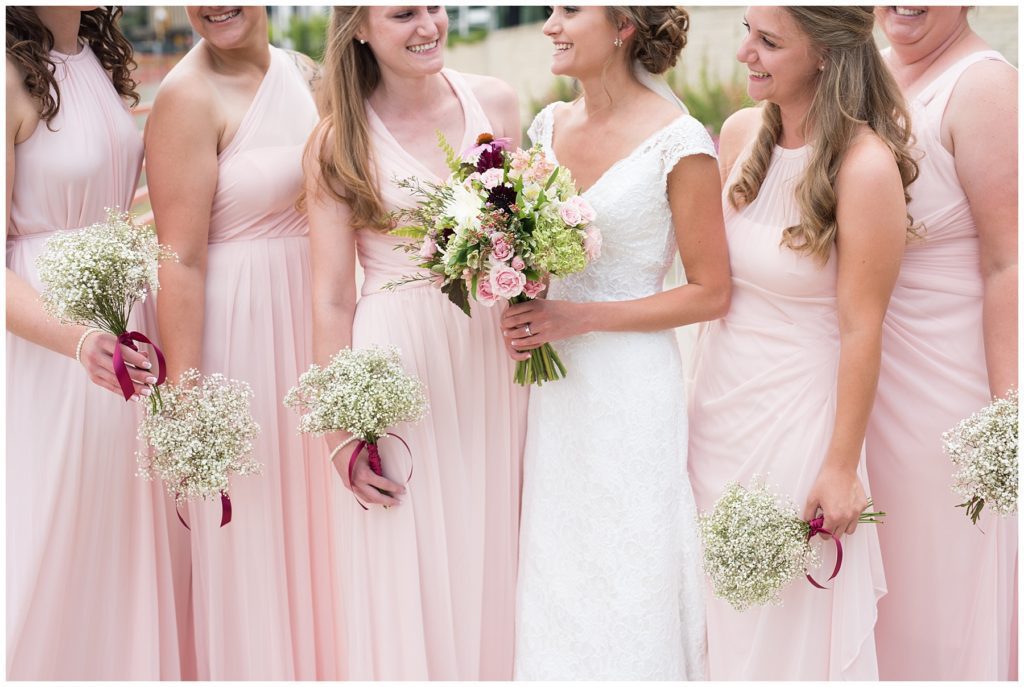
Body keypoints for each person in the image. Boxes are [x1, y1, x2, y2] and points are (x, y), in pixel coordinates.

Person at [687, 6, 917, 679]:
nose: (744, 53)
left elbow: (861, 326)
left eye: (768, 42)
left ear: (822, 54)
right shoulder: (736, 134)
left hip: (798, 423)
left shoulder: (864, 166)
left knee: (786, 628)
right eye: (745, 31)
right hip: (716, 411)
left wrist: (841, 466)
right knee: (717, 618)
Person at [501, 6, 730, 679]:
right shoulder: (547, 127)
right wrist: (513, 282)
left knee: (631, 555)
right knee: (560, 560)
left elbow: (711, 291)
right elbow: (535, 252)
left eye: (569, 10)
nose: (549, 24)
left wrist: (580, 318)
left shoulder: (679, 142)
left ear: (624, 26)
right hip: (557, 388)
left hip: (630, 386)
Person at [303, 6, 526, 680]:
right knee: (411, 553)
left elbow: (522, 230)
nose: (428, 23)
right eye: (403, 13)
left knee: (496, 544)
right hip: (398, 366)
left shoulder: (497, 101)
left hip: (491, 356)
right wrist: (340, 430)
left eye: (435, 6)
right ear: (361, 29)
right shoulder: (336, 141)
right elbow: (332, 296)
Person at [144, 6, 341, 680]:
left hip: (310, 319)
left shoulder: (308, 75)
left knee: (320, 528)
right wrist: (188, 404)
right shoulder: (185, 97)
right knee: (255, 535)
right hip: (238, 339)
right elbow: (180, 262)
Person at [6, 6, 181, 679]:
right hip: (54, 348)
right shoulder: (8, 68)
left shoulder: (95, 57)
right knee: (56, 534)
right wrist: (78, 341)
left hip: (123, 331)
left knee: (117, 538)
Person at [866, 6, 1018, 680]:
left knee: (940, 573)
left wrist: (1005, 414)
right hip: (867, 377)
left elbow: (1008, 262)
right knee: (882, 579)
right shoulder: (872, 75)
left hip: (945, 391)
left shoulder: (983, 87)